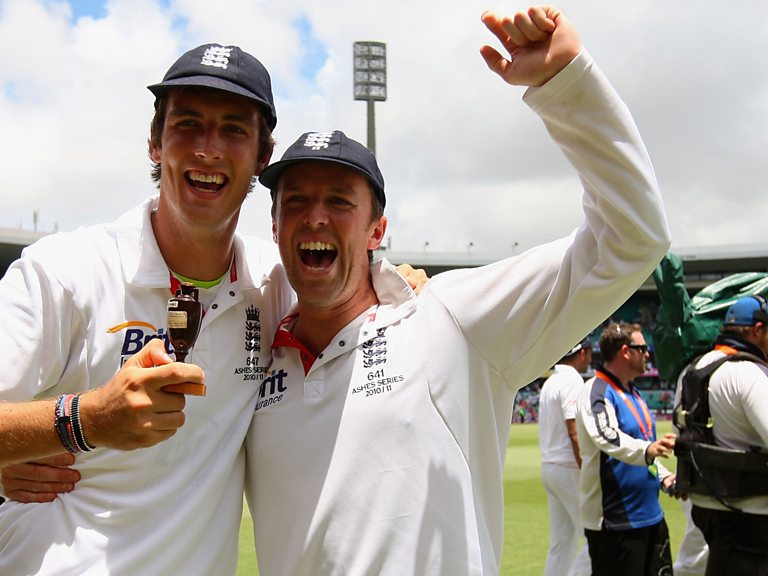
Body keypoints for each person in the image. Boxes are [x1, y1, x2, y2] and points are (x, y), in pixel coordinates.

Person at [244, 6, 671, 574]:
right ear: (274, 227)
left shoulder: (451, 320)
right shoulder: (246, 356)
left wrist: (566, 85)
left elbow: (630, 240)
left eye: (340, 201)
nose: (315, 217)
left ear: (377, 231)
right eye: (295, 200)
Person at [0, 43, 297, 575]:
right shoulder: (66, 269)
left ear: (263, 157)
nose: (208, 148)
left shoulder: (275, 285)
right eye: (188, 124)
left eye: (235, 129)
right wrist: (82, 420)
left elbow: (365, 301)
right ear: (155, 142)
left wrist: (402, 281)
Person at [676, 295, 768, 575]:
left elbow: (682, 431)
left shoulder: (693, 369)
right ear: (757, 330)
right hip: (751, 512)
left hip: (706, 505)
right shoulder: (750, 373)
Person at [577, 323, 678, 575]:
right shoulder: (596, 390)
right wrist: (649, 450)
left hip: (651, 516)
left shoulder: (634, 392)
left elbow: (644, 444)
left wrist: (664, 477)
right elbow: (606, 436)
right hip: (616, 523)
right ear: (625, 351)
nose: (648, 354)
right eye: (643, 348)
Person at [538, 338, 593, 576]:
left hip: (550, 466)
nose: (591, 358)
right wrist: (586, 468)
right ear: (581, 354)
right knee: (594, 538)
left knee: (562, 543)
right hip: (568, 466)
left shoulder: (552, 381)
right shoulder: (572, 381)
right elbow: (574, 430)